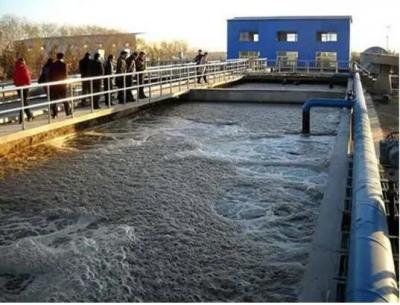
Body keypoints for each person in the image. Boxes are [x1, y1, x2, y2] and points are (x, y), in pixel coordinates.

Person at [49, 52, 71, 118]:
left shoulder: (53, 64)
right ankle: (67, 112)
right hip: (62, 84)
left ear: (57, 57)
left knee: (54, 99)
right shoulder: (64, 64)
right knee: (64, 98)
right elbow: (65, 75)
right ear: (62, 57)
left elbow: (51, 74)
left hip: (55, 84)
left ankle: (55, 114)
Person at [13, 57, 33, 123]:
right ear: (23, 61)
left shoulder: (16, 69)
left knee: (24, 102)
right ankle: (23, 118)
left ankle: (28, 116)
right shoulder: (24, 68)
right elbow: (28, 77)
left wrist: (16, 84)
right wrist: (29, 84)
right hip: (24, 87)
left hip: (18, 87)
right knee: (24, 102)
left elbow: (14, 78)